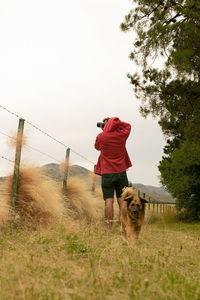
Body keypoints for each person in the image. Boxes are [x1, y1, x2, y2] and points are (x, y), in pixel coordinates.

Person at [94, 117, 132, 230]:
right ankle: (124, 228)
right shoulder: (121, 135)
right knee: (123, 201)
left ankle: (109, 228)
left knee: (108, 201)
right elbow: (128, 125)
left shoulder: (101, 137)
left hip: (106, 173)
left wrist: (105, 130)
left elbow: (97, 147)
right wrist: (114, 122)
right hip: (121, 173)